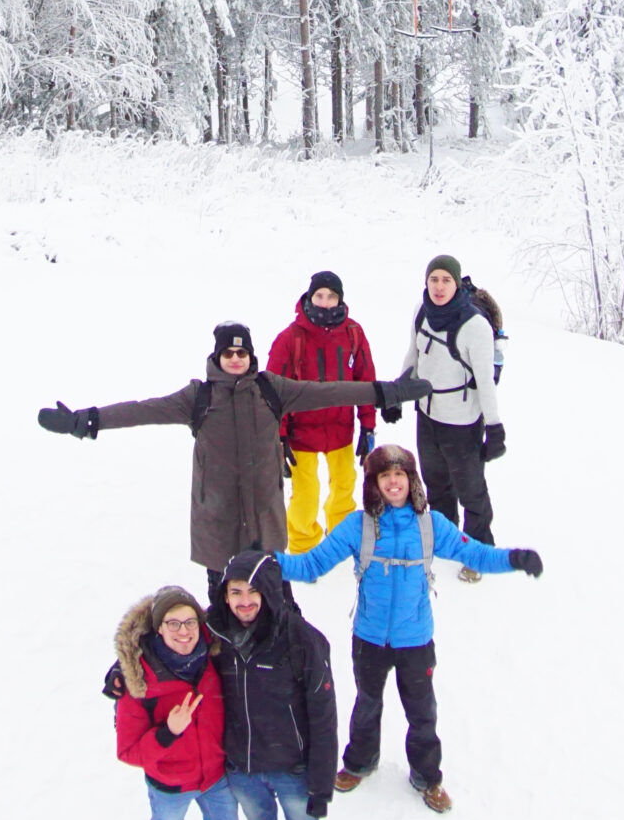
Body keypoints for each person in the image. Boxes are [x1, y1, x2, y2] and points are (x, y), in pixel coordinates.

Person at [38, 324, 432, 608]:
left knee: (276, 597)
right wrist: (87, 420)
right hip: (218, 518)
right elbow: (144, 409)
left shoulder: (271, 389)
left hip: (264, 515)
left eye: (242, 353)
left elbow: (331, 391)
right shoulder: (199, 397)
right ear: (218, 356)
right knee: (224, 602)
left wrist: (388, 392)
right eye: (229, 353)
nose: (236, 359)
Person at [276, 443, 543, 814]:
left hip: (415, 638)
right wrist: (269, 563)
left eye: (399, 474)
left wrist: (514, 559)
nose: (393, 481)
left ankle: (427, 776)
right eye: (385, 475)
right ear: (374, 484)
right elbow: (311, 565)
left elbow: (475, 553)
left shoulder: (431, 525)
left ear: (411, 480)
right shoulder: (358, 525)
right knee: (366, 705)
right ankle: (359, 763)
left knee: (422, 712)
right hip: (369, 637)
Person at [207, 550, 338, 820]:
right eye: (235, 592)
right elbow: (166, 641)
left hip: (292, 768)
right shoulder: (213, 635)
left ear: (266, 592)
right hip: (244, 769)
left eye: (252, 592)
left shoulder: (300, 639)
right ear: (224, 595)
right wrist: (123, 671)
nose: (244, 601)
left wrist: (321, 783)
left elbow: (323, 713)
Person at [105, 587, 243, 820]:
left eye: (190, 622)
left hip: (214, 774)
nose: (184, 631)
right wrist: (168, 733)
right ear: (158, 629)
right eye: (173, 623)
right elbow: (128, 751)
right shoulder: (138, 682)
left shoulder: (215, 658)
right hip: (169, 783)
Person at [398, 254, 505, 579]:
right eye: (434, 279)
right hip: (427, 415)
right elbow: (413, 353)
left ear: (456, 283)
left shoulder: (475, 326)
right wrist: (398, 392)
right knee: (436, 483)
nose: (439, 287)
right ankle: (445, 538)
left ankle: (478, 552)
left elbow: (485, 381)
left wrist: (496, 428)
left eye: (446, 280)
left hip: (462, 421)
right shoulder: (421, 311)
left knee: (471, 489)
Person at [265, 271, 377, 556]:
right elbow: (273, 391)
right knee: (306, 494)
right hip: (300, 432)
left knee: (344, 487)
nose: (325, 303)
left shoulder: (353, 333)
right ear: (309, 297)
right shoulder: (290, 338)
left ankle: (340, 539)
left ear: (340, 299)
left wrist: (368, 426)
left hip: (340, 429)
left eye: (331, 297)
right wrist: (278, 436)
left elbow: (366, 381)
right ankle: (304, 546)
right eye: (319, 296)